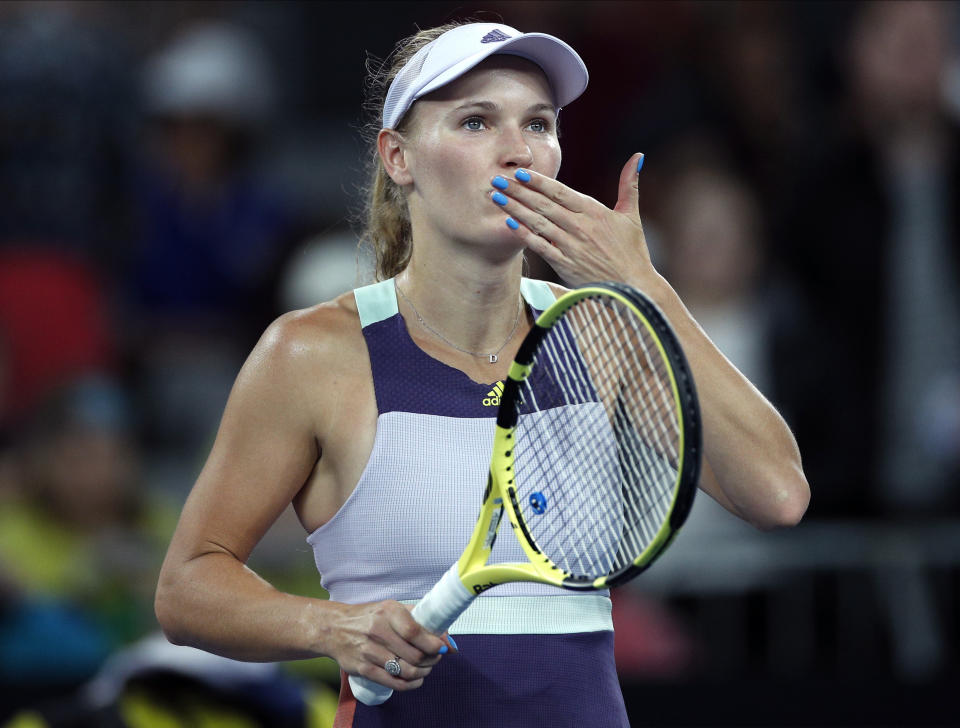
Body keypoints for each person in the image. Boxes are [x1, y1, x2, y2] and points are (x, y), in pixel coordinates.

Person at [155, 21, 810, 727]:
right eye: (476, 121)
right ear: (399, 158)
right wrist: (330, 628)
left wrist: (642, 286)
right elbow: (188, 587)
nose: (518, 150)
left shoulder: (602, 332)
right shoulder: (312, 354)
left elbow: (776, 495)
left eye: (538, 123)